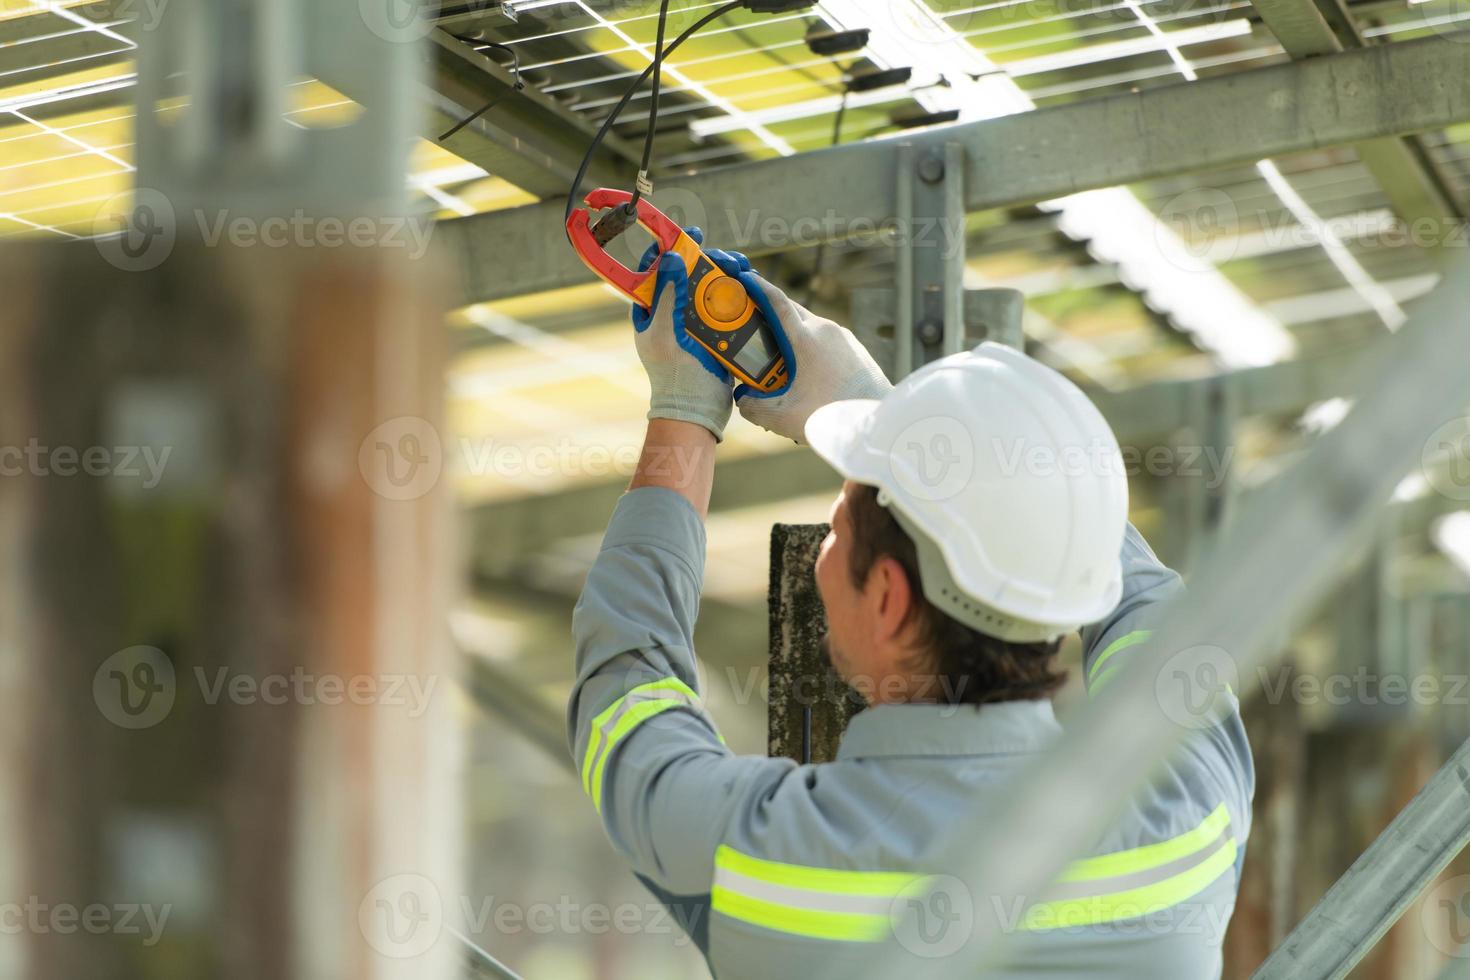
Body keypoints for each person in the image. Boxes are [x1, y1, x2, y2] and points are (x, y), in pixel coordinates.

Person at [568, 233, 1254, 978]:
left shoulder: (765, 858)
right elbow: (1146, 608)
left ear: (889, 599)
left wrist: (682, 409)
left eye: (835, 533)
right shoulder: (1188, 824)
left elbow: (624, 701)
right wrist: (909, 431)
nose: (827, 552)